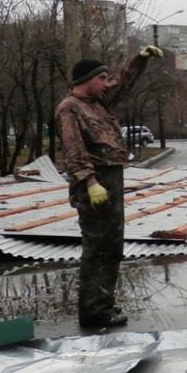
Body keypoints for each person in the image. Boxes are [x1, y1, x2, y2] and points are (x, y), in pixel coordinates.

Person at [55, 45, 163, 328]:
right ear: (87, 80)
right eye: (102, 78)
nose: (106, 84)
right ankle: (93, 312)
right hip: (94, 184)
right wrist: (90, 182)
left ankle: (102, 304)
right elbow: (73, 151)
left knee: (111, 246)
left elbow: (122, 83)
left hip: (109, 182)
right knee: (98, 249)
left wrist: (140, 60)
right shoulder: (70, 109)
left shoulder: (97, 103)